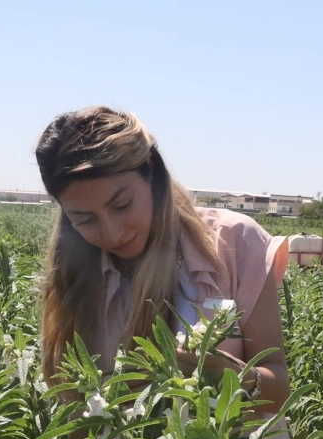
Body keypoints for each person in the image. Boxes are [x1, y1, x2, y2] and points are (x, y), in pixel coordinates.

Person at [35, 104, 291, 414]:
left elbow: (280, 389)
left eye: (122, 205)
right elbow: (77, 418)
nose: (113, 233)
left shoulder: (234, 241)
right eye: (85, 219)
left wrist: (237, 380)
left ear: (153, 174)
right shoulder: (77, 281)